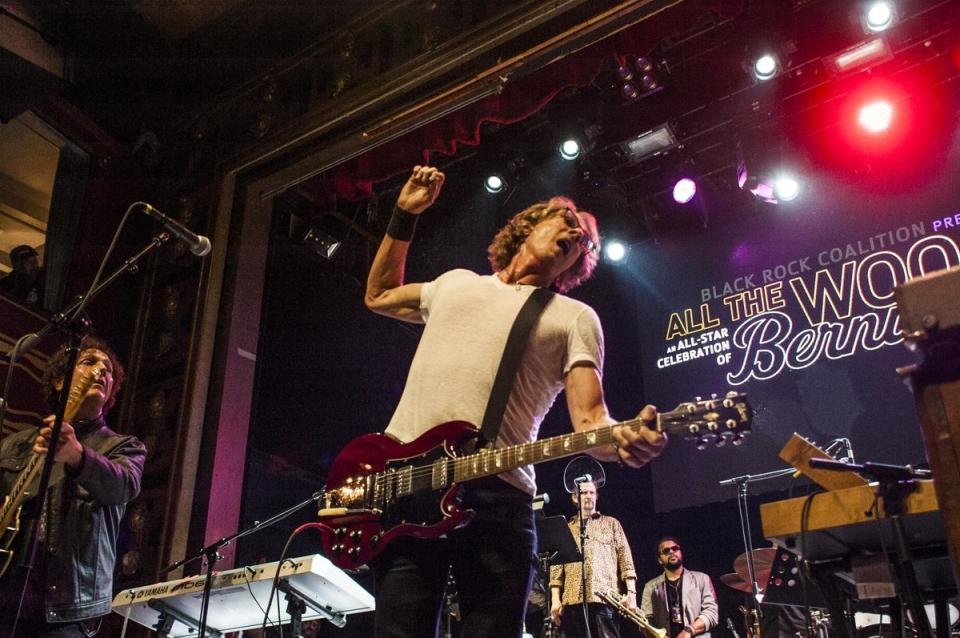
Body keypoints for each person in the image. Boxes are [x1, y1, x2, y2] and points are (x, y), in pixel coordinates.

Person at [364, 165, 667, 638]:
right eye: (569, 220)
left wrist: (624, 441)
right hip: (407, 486)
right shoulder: (455, 283)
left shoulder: (572, 318)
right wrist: (404, 215)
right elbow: (378, 294)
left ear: (577, 266)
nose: (578, 236)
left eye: (585, 242)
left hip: (497, 500)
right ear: (527, 226)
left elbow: (591, 421)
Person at [0, 337, 146, 637]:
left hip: (64, 610)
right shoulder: (16, 444)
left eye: (108, 369)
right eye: (90, 362)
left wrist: (77, 456)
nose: (101, 371)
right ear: (59, 381)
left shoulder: (123, 447)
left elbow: (124, 485)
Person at [549, 480, 637, 638]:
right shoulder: (566, 528)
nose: (588, 496)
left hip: (604, 599)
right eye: (584, 492)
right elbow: (556, 568)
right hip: (571, 600)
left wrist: (631, 593)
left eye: (592, 492)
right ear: (575, 498)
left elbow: (626, 560)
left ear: (597, 496)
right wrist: (555, 599)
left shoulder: (611, 524)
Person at [640, 538, 719, 638]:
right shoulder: (650, 587)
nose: (671, 552)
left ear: (681, 552)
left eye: (675, 548)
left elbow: (712, 613)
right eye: (666, 551)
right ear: (659, 560)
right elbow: (646, 619)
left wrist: (690, 630)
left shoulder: (702, 579)